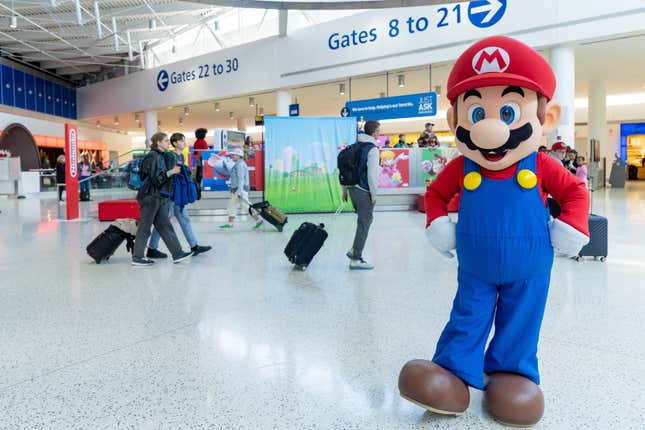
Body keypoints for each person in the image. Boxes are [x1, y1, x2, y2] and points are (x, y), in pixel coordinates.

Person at [398, 36, 590, 427]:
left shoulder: (541, 164)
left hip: (530, 264)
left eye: (507, 111)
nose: (488, 128)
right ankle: (452, 373)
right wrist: (437, 223)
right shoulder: (462, 167)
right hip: (476, 266)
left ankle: (512, 374)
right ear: (455, 122)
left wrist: (572, 226)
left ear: (545, 117)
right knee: (468, 314)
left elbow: (575, 191)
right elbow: (435, 194)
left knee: (522, 317)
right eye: (474, 113)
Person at [146, 133, 212, 258]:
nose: (184, 143)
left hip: (177, 193)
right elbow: (167, 174)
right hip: (171, 194)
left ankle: (193, 246)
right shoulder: (169, 156)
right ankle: (152, 248)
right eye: (182, 141)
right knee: (165, 221)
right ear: (175, 143)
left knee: (177, 219)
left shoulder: (180, 155)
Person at [132, 132, 193, 267]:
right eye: (165, 141)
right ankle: (137, 257)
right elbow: (156, 179)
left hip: (158, 196)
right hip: (150, 196)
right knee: (145, 227)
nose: (168, 143)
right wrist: (171, 172)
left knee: (165, 226)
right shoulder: (153, 156)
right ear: (158, 143)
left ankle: (177, 253)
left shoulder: (161, 156)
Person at [342, 120, 380, 270]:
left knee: (362, 222)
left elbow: (345, 170)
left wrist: (344, 190)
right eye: (379, 130)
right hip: (364, 191)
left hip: (351, 189)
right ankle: (356, 258)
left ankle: (354, 251)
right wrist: (374, 194)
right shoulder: (372, 149)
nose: (380, 133)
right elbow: (372, 174)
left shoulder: (355, 146)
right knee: (365, 222)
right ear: (374, 132)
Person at [219, 149, 263, 229]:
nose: (232, 156)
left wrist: (239, 192)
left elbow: (241, 179)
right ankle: (230, 223)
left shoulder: (240, 165)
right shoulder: (238, 164)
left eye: (233, 155)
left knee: (245, 206)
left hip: (240, 190)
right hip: (236, 190)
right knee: (232, 206)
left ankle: (258, 220)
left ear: (238, 156)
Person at [193, 128, 209, 197]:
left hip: (197, 159)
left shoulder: (196, 141)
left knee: (198, 174)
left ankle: (197, 190)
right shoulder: (203, 141)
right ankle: (199, 191)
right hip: (201, 159)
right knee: (201, 174)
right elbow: (206, 150)